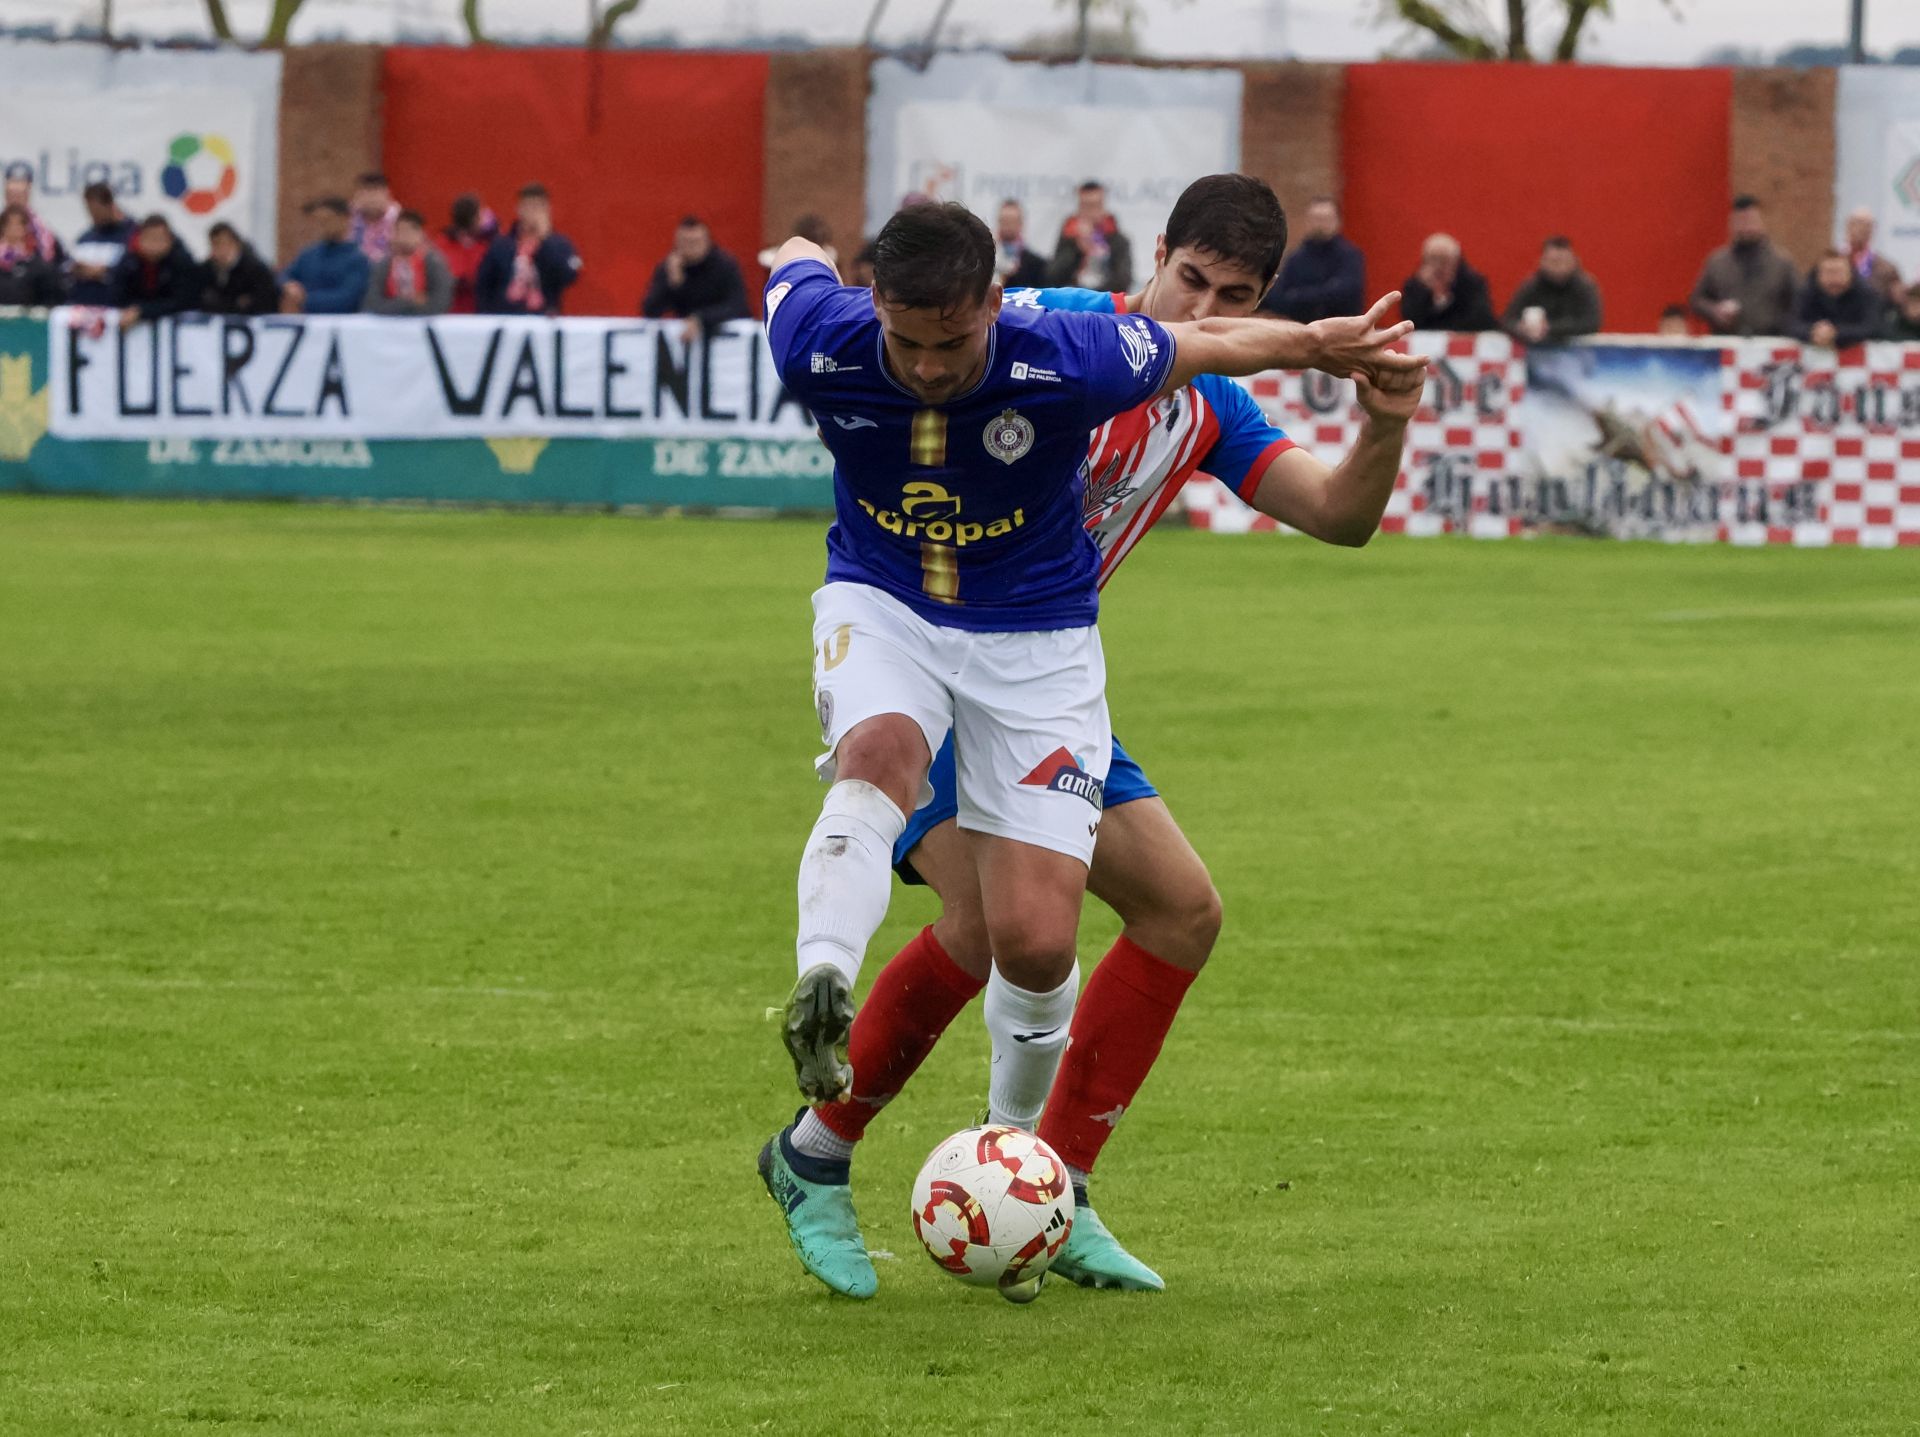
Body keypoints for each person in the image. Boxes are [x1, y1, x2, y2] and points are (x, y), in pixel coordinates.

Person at [762, 174, 1426, 1301]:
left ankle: (1046, 1184)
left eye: (1236, 294)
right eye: (1192, 280)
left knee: (1177, 911)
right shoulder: (1060, 334)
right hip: (923, 647)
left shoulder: (1208, 402)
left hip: (1042, 672)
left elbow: (1338, 515)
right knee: (986, 924)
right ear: (1155, 251)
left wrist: (1384, 418)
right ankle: (816, 1154)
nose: (1205, 311)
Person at [1689, 195, 1797, 338]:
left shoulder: (1782, 263)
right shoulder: (1717, 262)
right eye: (1741, 221)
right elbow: (1696, 301)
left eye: (1751, 220)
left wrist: (1782, 325)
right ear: (1731, 223)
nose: (1746, 227)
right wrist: (1715, 311)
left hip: (1769, 344)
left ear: (1762, 222)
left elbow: (1799, 303)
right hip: (1726, 344)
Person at [474, 183, 582, 317]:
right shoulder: (501, 245)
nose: (532, 213)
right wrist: (487, 317)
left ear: (547, 210)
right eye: (528, 207)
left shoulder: (560, 245)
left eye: (537, 207)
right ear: (518, 209)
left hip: (544, 320)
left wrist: (546, 240)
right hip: (506, 320)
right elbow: (483, 285)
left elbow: (569, 276)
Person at [641, 215, 750, 339]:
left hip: (724, 336)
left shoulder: (725, 265)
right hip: (685, 337)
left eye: (696, 242)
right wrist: (671, 283)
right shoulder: (670, 267)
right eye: (686, 242)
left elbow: (738, 305)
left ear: (708, 241)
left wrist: (701, 318)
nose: (691, 248)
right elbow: (649, 311)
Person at [1260, 195, 1364, 323]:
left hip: (1341, 332)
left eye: (1326, 219)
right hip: (1301, 331)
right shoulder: (1296, 259)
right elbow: (1277, 297)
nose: (1321, 224)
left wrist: (1298, 296)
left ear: (1338, 221)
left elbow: (1345, 293)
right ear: (1308, 221)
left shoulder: (1349, 256)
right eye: (1317, 219)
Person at [1501, 236, 1603, 344]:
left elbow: (1591, 323)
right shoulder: (1531, 286)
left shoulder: (1585, 286)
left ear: (1574, 261)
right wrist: (1520, 328)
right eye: (1553, 261)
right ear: (1542, 262)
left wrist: (1549, 328)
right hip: (1536, 351)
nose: (1559, 267)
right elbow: (1507, 320)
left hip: (1576, 351)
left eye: (1563, 261)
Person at [280, 197, 372, 315]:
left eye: (327, 220)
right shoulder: (308, 255)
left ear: (345, 220)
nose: (322, 225)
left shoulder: (357, 259)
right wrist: (288, 286)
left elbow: (347, 299)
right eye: (318, 221)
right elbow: (285, 276)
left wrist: (305, 299)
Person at [110, 216, 198, 330]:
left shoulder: (182, 261)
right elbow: (117, 295)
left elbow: (183, 301)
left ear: (169, 240)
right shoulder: (129, 261)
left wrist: (143, 311)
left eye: (159, 239)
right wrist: (133, 310)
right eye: (150, 238)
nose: (154, 245)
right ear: (140, 239)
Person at [1047, 180, 1133, 291]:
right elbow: (1053, 277)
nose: (1091, 212)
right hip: (1073, 300)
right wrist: (1077, 249)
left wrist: (1094, 296)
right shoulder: (1068, 237)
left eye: (1096, 205)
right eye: (1086, 206)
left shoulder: (1118, 240)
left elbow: (1123, 280)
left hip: (1106, 300)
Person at [1401, 233, 1497, 332]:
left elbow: (1483, 320)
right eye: (1434, 259)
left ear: (1456, 261)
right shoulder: (1415, 285)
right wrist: (1427, 292)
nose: (1438, 267)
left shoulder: (1472, 283)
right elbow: (1410, 320)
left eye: (1444, 260)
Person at [364, 209, 453, 316]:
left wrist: (412, 310)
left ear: (421, 234)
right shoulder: (383, 264)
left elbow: (441, 302)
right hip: (390, 326)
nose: (404, 236)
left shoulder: (434, 262)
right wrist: (409, 302)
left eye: (409, 231)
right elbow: (372, 303)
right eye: (399, 231)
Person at [1790, 249, 1880, 351]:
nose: (1834, 279)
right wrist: (1812, 331)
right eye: (1828, 273)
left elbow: (1871, 327)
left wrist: (1837, 333)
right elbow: (1792, 324)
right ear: (1818, 275)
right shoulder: (1806, 291)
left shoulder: (1866, 293)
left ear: (1850, 273)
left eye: (1839, 272)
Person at [66, 182, 135, 306]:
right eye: (89, 210)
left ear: (109, 205)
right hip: (84, 306)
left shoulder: (131, 235)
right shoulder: (85, 238)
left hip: (116, 308)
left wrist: (106, 272)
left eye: (97, 210)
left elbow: (134, 270)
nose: (93, 215)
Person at [197, 222, 281, 315]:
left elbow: (265, 302)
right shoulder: (207, 270)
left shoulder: (256, 270)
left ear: (237, 244)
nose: (222, 250)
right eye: (216, 244)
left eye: (226, 244)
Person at [433, 194, 496, 315]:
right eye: (480, 214)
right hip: (450, 312)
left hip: (480, 311)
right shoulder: (443, 243)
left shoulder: (488, 244)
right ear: (473, 220)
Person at [0, 204, 65, 306]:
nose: (14, 228)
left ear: (26, 228)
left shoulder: (36, 262)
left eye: (19, 224)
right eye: (9, 224)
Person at [3, 162, 64, 264]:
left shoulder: (42, 233)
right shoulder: (2, 224)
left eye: (19, 195)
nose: (15, 201)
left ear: (28, 195)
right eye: (11, 195)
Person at [1843, 207, 1903, 303]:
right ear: (1847, 227)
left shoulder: (1887, 269)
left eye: (1867, 226)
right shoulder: (1832, 263)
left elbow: (1897, 302)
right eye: (1856, 223)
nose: (1861, 229)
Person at [993, 199, 1050, 290]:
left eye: (1012, 221)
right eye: (1004, 221)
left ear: (1021, 224)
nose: (1007, 225)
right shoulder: (988, 258)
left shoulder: (1036, 264)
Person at [350, 172, 400, 262]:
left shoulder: (400, 220)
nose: (372, 198)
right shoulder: (346, 219)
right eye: (367, 192)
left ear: (387, 194)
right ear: (356, 195)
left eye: (376, 192)